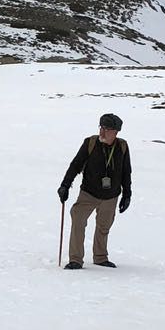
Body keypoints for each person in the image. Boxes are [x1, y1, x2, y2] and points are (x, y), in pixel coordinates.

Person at [57, 113, 132, 269]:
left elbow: (126, 172)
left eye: (107, 129)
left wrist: (127, 195)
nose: (102, 132)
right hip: (88, 193)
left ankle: (100, 257)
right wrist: (65, 185)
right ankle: (75, 260)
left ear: (116, 132)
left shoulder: (122, 147)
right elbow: (75, 165)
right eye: (101, 127)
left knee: (104, 227)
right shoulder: (90, 143)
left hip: (111, 196)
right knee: (78, 221)